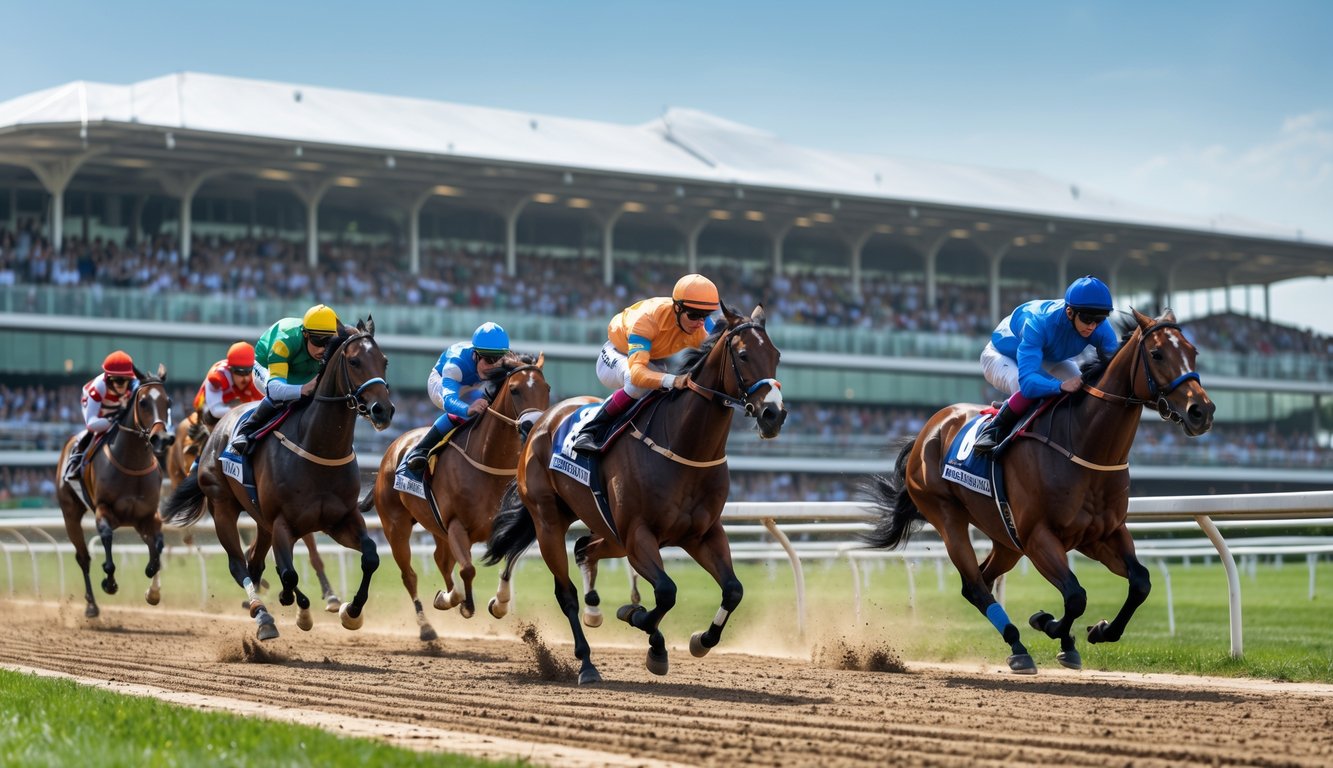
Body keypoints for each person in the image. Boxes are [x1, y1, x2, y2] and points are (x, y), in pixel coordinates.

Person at [571, 273, 719, 454]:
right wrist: (673, 380)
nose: (699, 323)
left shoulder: (700, 324)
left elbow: (726, 342)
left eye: (705, 316)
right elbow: (637, 374)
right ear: (677, 308)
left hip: (652, 360)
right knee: (637, 385)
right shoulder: (648, 319)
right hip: (616, 355)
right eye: (694, 315)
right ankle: (590, 431)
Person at [972, 275, 1120, 454]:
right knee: (1027, 390)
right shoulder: (1038, 322)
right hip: (1001, 356)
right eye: (1088, 319)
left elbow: (1115, 368)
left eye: (1100, 319)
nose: (1093, 326)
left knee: (1081, 392)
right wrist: (1059, 386)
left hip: (1048, 357)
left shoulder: (1099, 327)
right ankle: (994, 429)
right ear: (1070, 313)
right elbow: (1028, 383)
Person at [397, 322, 511, 477]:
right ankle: (421, 450)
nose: (493, 366)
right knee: (471, 409)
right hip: (441, 383)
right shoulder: (455, 366)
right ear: (475, 355)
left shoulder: (501, 361)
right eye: (489, 360)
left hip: (473, 383)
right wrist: (468, 409)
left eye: (498, 359)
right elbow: (449, 400)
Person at [227, 303, 342, 456]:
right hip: (267, 367)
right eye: (318, 341)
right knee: (281, 397)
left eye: (328, 342)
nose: (323, 349)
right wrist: (303, 389)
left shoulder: (336, 338)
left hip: (302, 370)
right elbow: (274, 389)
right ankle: (245, 432)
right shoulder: (284, 341)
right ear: (305, 334)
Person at [65, 350, 140, 480]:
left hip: (119, 409)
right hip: (99, 410)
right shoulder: (98, 387)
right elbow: (91, 423)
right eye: (117, 380)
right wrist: (113, 421)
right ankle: (76, 460)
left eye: (125, 380)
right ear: (108, 379)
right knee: (93, 432)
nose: (121, 384)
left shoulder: (135, 385)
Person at [193, 341, 263, 429]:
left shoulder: (258, 375)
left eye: (248, 371)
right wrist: (243, 410)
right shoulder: (217, 377)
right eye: (239, 372)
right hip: (210, 408)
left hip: (238, 405)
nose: (245, 378)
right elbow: (215, 411)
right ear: (230, 369)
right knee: (209, 418)